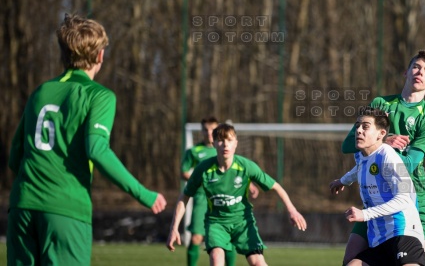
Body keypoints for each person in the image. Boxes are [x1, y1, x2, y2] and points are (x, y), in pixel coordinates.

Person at [7, 13, 167, 265]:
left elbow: (15, 155)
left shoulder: (40, 92)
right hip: (65, 210)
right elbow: (96, 149)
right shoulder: (99, 96)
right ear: (100, 55)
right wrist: (143, 194)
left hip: (22, 207)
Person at [341, 50, 425, 265]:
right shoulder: (381, 103)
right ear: (406, 72)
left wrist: (381, 151)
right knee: (350, 259)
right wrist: (383, 142)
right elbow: (348, 144)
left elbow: (411, 164)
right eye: (416, 67)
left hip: (413, 197)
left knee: (415, 261)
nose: (420, 72)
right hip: (377, 195)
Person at [167, 123, 307, 266]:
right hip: (217, 223)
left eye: (229, 140)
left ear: (236, 144)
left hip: (243, 222)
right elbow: (184, 197)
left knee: (258, 263)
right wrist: (174, 229)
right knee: (216, 259)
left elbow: (276, 187)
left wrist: (292, 210)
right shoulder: (203, 169)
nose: (225, 145)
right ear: (214, 143)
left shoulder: (246, 166)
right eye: (221, 140)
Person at [330, 107, 425, 266]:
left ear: (381, 134)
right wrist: (343, 181)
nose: (359, 131)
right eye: (357, 126)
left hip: (403, 234)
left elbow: (405, 198)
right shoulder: (362, 156)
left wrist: (365, 214)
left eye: (365, 127)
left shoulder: (389, 156)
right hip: (379, 239)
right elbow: (360, 168)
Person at [180, 116, 259, 266]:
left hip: (226, 198)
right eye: (205, 129)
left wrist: (249, 185)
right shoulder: (194, 151)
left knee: (227, 239)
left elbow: (236, 174)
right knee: (196, 237)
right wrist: (202, 180)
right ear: (202, 131)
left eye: (212, 129)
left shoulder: (226, 150)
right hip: (202, 197)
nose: (209, 132)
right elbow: (183, 172)